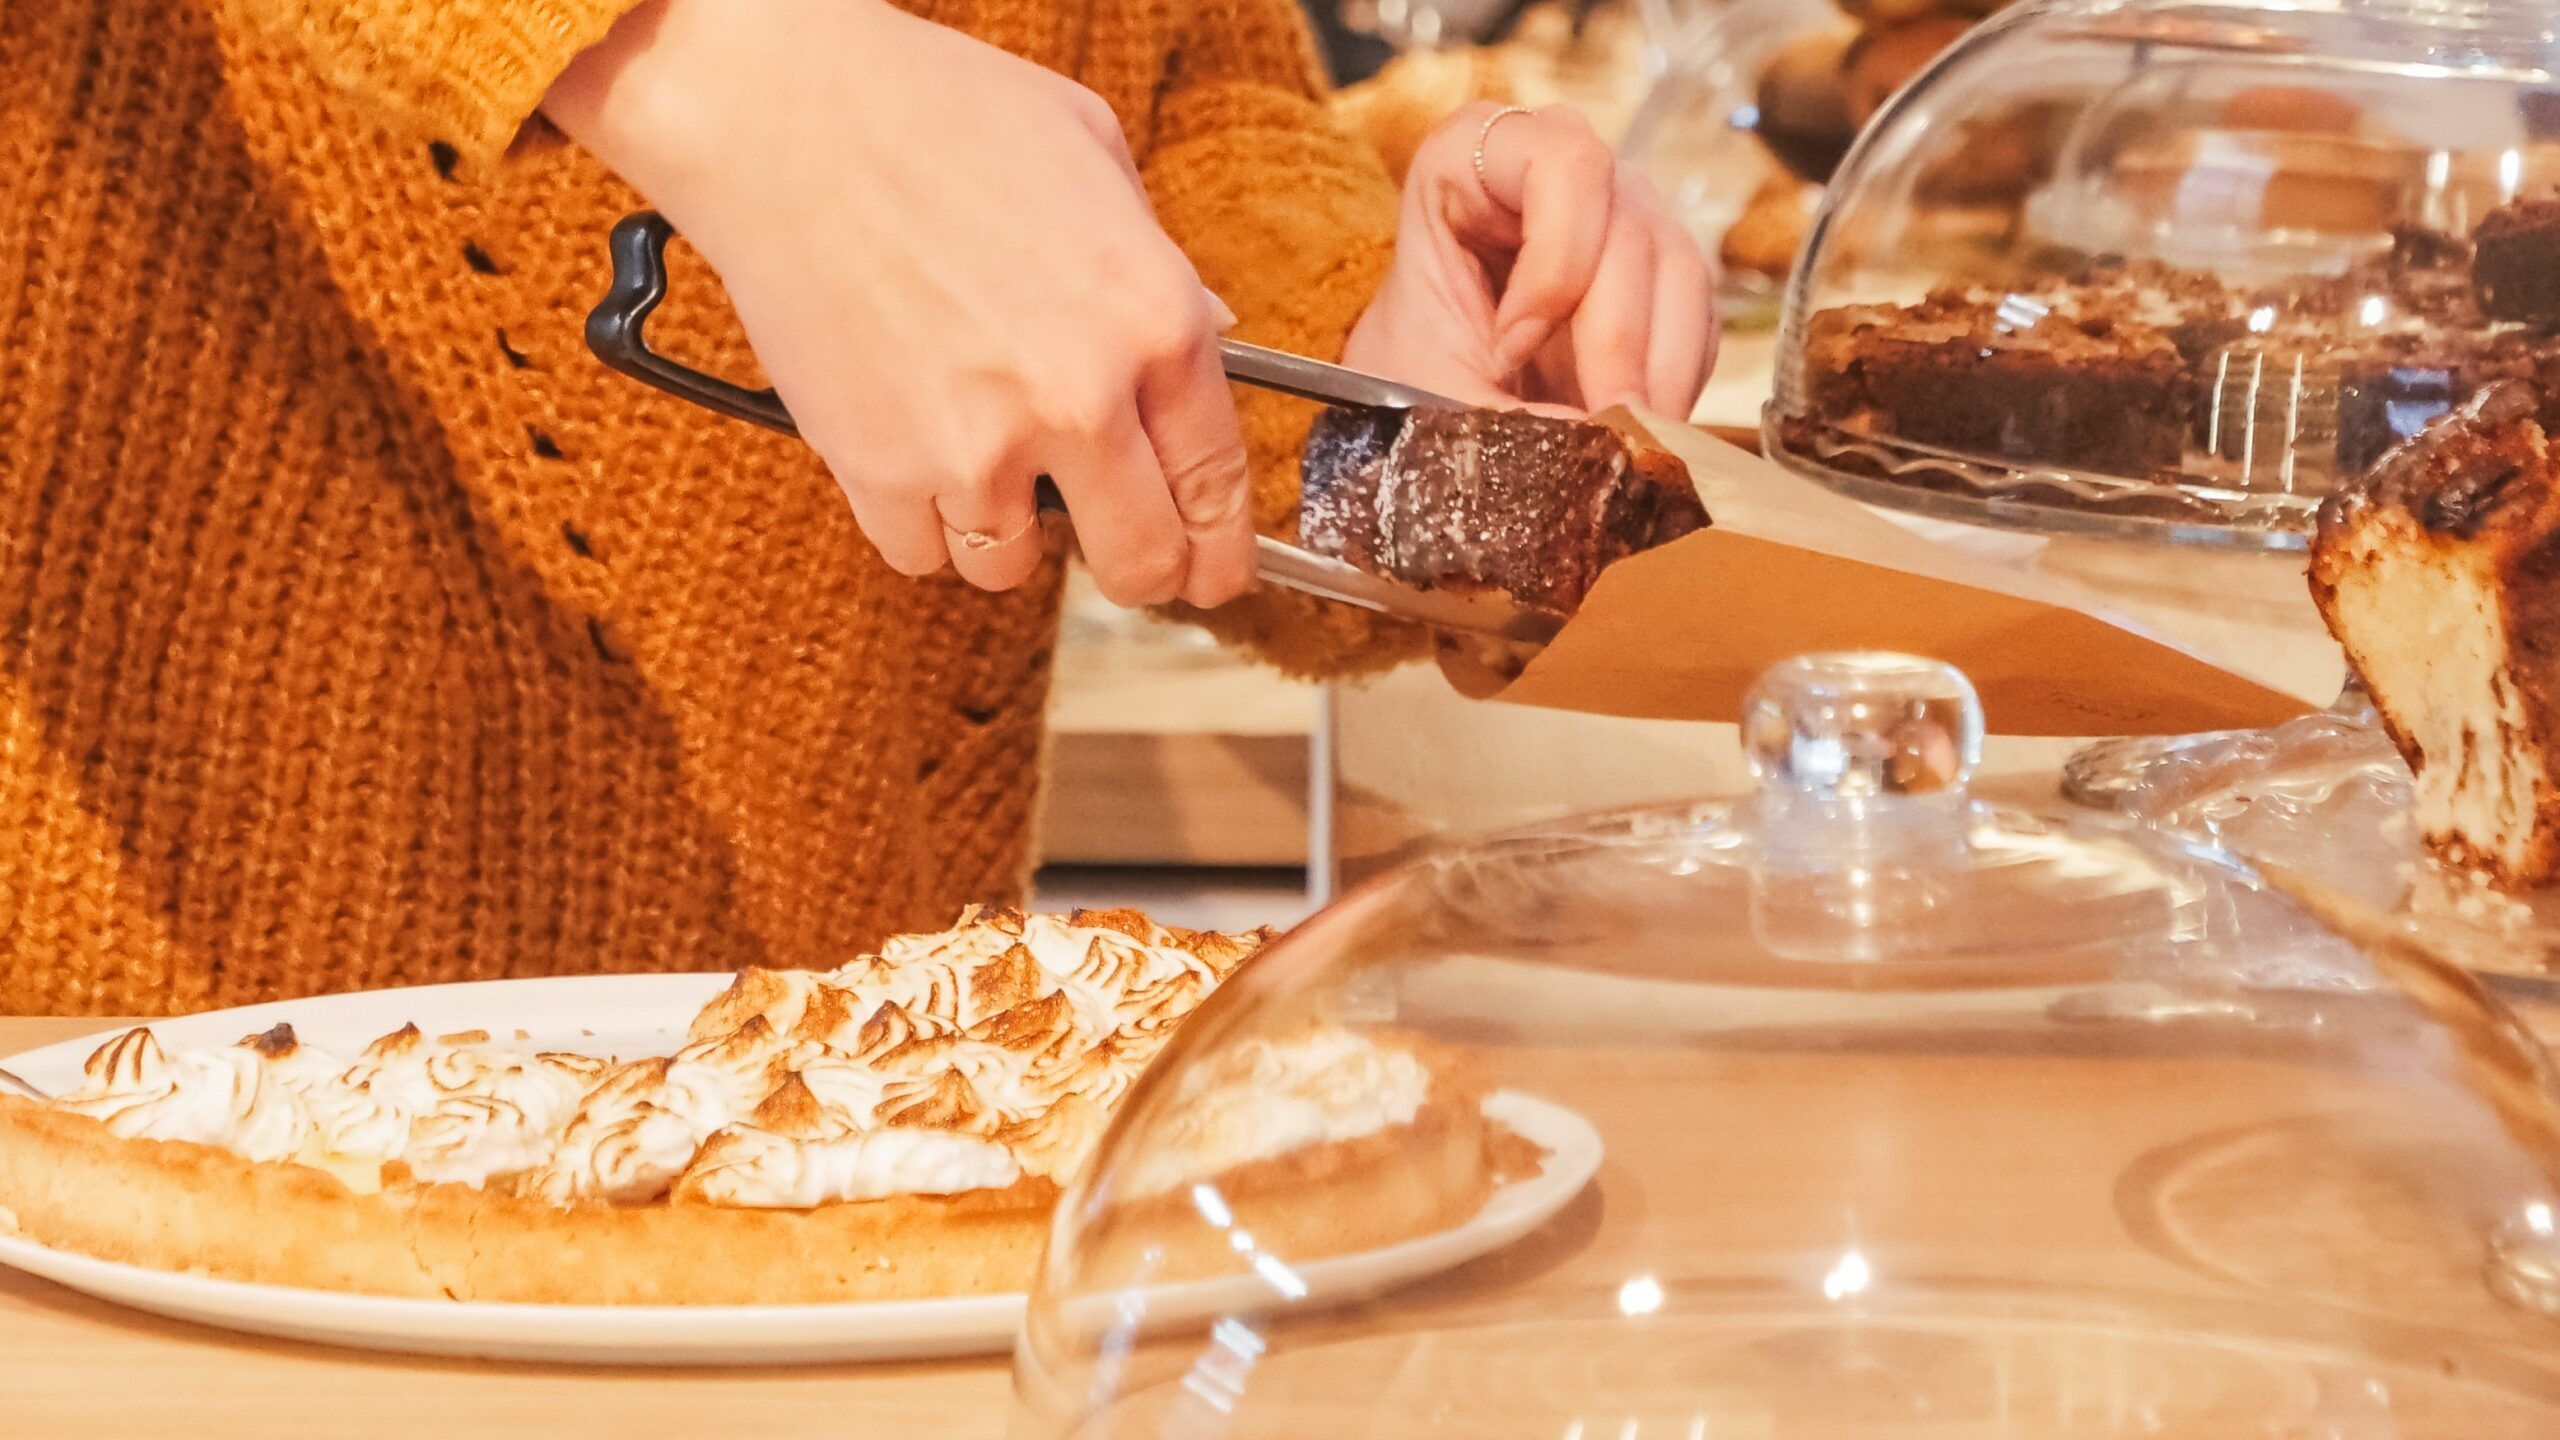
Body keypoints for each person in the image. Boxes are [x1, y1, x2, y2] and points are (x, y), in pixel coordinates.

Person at [0, 0, 1715, 1016]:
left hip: (819, 1113)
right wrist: (713, 61)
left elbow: (1181, 88)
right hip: (122, 1087)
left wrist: (1380, 406)